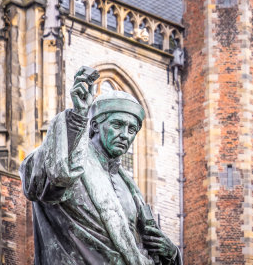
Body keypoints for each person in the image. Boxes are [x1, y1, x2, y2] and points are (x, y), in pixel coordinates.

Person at [20, 67, 181, 264]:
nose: (125, 134)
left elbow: (143, 252)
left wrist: (171, 254)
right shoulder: (71, 159)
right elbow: (43, 181)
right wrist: (78, 117)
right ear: (94, 126)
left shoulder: (130, 189)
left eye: (132, 129)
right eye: (117, 125)